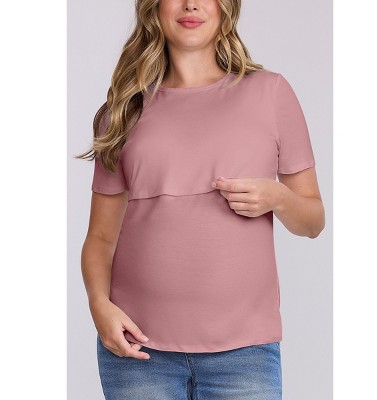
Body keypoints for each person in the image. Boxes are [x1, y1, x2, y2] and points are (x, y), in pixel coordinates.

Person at [76, 0, 325, 398]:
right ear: (154, 8)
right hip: (137, 350)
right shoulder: (123, 111)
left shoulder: (270, 93)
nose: (191, 3)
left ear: (226, 8)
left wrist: (278, 197)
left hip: (244, 353)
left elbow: (313, 220)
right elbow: (101, 238)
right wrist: (98, 306)